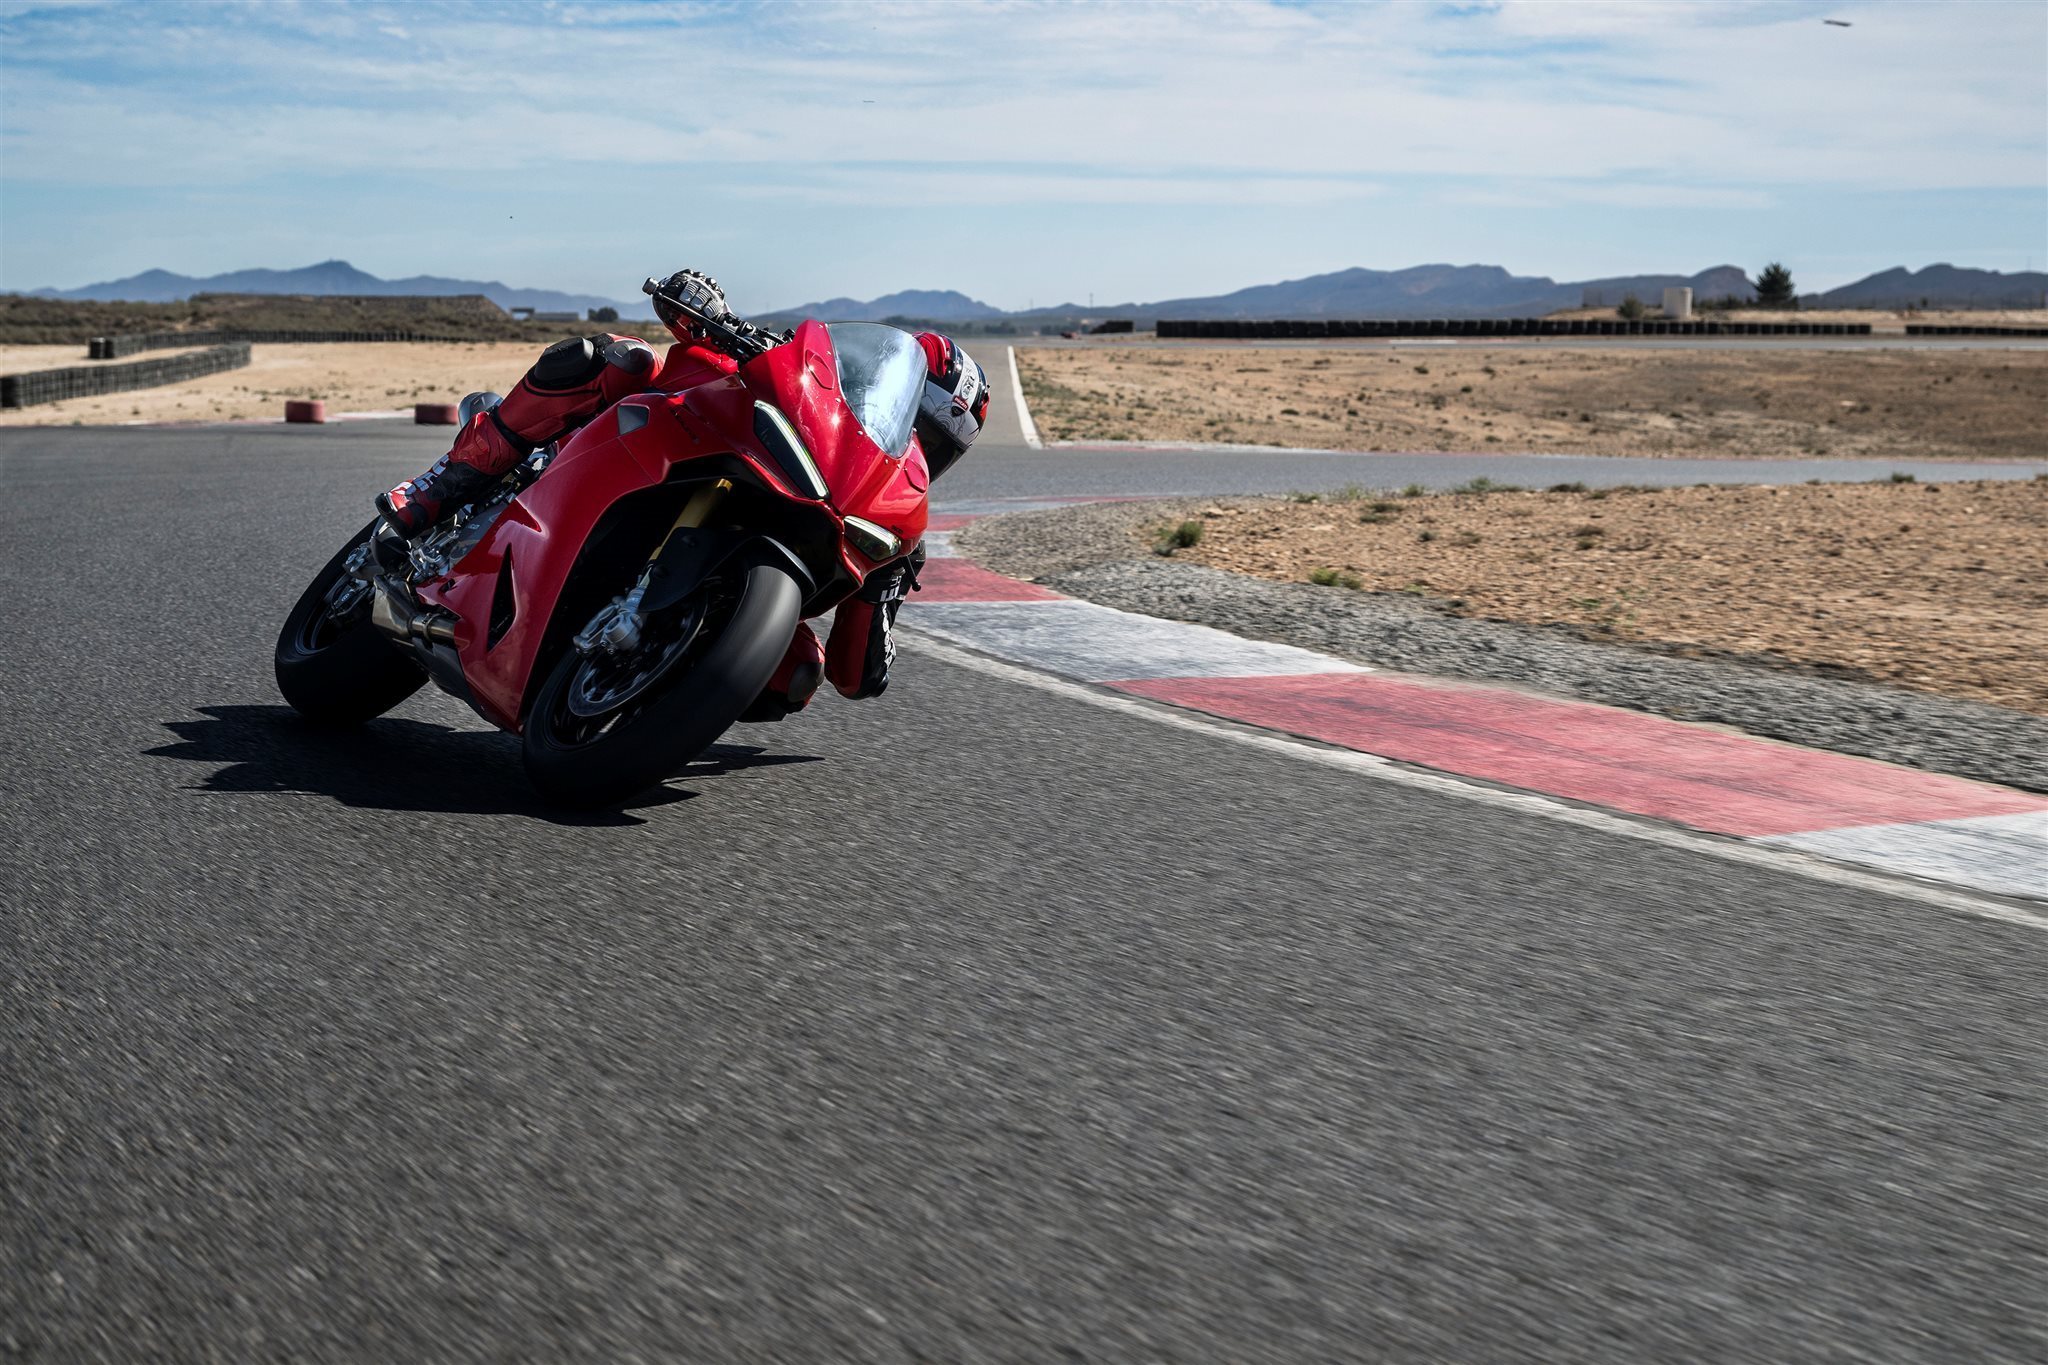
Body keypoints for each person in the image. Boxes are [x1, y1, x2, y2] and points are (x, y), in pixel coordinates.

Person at [375, 269, 989, 712]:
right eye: (912, 422)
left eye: (933, 446)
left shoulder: (893, 528)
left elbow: (857, 677)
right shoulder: (802, 379)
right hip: (681, 444)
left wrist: (885, 584)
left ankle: (642, 702)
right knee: (624, 360)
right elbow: (695, 324)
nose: (914, 445)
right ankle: (445, 484)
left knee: (798, 673)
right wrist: (707, 311)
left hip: (765, 559)